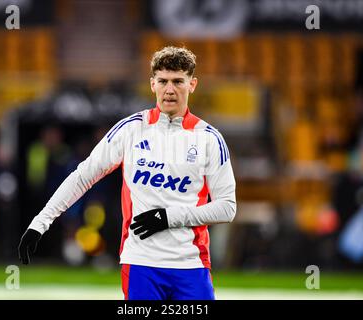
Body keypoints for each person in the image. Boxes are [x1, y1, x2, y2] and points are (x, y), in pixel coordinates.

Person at [18, 46, 237, 300]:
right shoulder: (131, 130)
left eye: (178, 81)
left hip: (191, 265)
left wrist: (168, 217)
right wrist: (39, 223)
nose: (170, 89)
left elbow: (227, 207)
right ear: (152, 84)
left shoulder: (209, 139)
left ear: (192, 84)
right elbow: (83, 176)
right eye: (163, 81)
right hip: (141, 263)